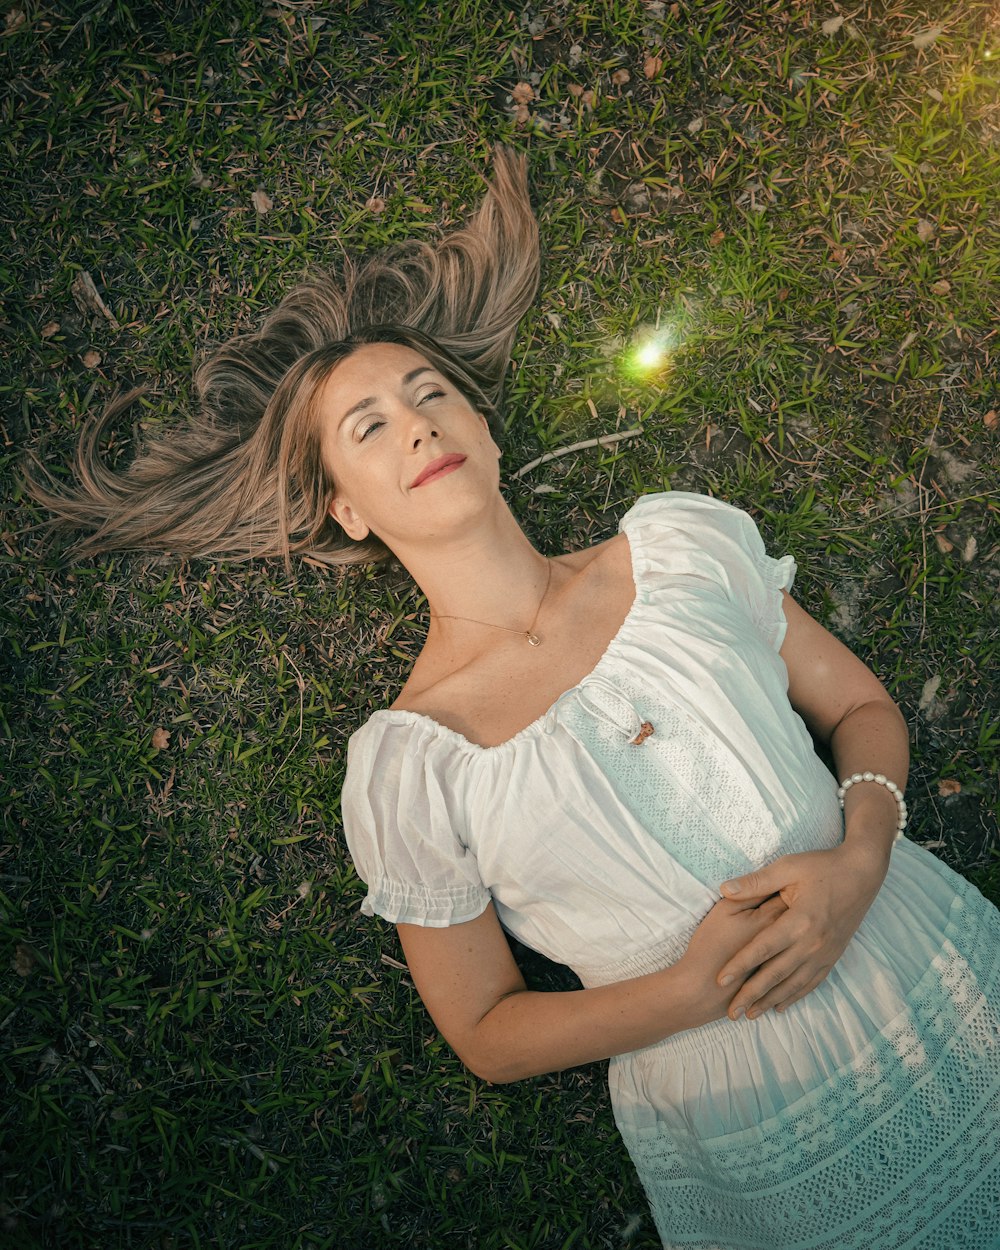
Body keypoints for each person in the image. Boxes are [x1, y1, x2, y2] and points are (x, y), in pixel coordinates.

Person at [27, 151, 1000, 1248]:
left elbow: (862, 709)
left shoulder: (674, 548)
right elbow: (488, 1031)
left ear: (485, 430)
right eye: (368, 428)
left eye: (429, 394)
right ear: (346, 511)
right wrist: (691, 988)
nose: (416, 425)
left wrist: (859, 856)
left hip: (934, 969)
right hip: (754, 1114)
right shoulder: (411, 766)